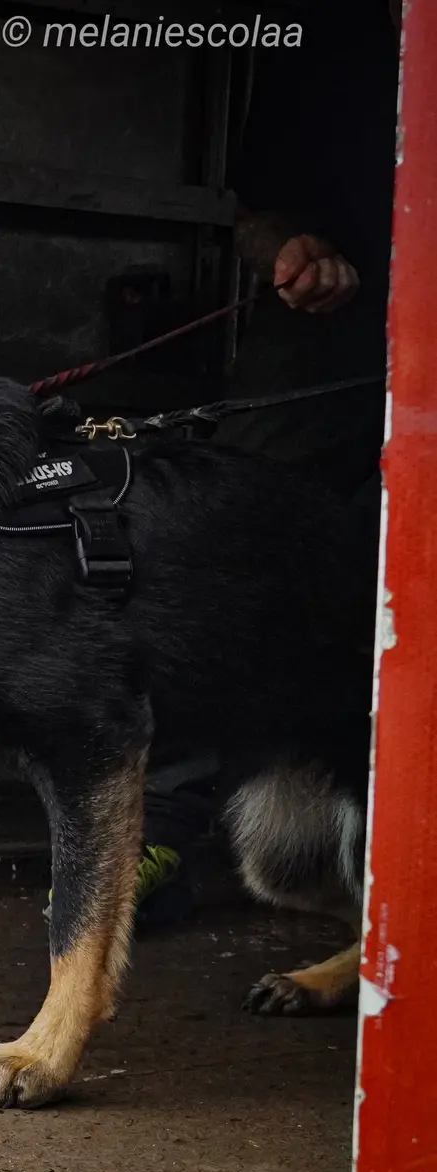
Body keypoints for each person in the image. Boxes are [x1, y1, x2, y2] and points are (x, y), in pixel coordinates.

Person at [125, 0, 398, 927]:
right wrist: (291, 251)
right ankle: (160, 828)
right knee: (218, 542)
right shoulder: (325, 38)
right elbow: (255, 216)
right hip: (333, 328)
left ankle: (392, 848)